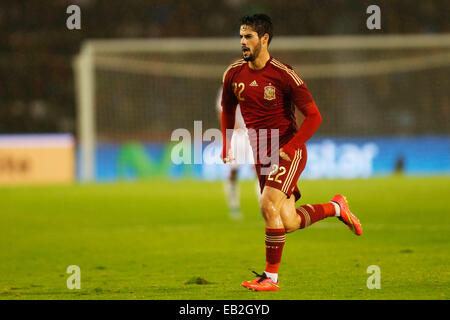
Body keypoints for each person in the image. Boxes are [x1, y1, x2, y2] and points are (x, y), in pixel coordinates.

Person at [221, 14, 362, 291]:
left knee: (266, 206)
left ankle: (270, 278)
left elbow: (314, 116)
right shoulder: (233, 74)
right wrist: (227, 144)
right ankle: (336, 207)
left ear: (264, 39)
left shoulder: (284, 75)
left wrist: (293, 145)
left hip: (287, 152)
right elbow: (228, 108)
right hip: (260, 153)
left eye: (248, 37)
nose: (242, 42)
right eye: (240, 37)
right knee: (287, 221)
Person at [216, 87, 260, 220]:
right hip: (237, 133)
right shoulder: (227, 88)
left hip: (255, 132)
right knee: (233, 171)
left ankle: (264, 205)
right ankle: (233, 206)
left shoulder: (257, 84)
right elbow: (221, 110)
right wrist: (232, 127)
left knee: (259, 170)